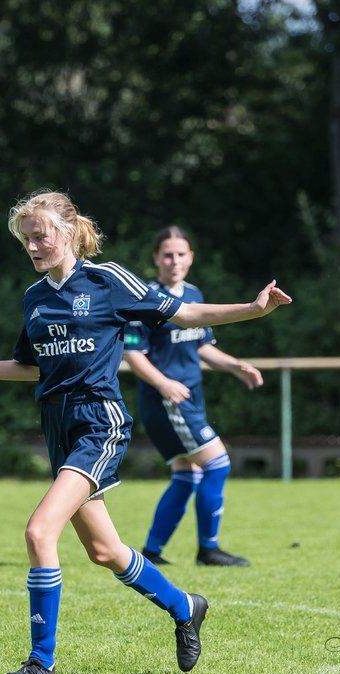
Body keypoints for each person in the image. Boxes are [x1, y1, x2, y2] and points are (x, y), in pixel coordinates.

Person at [0, 190, 290, 674]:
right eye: (25, 239)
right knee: (105, 551)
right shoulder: (35, 298)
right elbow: (30, 369)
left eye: (40, 236)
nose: (32, 246)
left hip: (100, 423)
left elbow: (184, 314)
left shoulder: (107, 280)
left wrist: (253, 308)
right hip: (59, 429)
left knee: (38, 532)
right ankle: (186, 606)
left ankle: (41, 662)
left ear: (68, 232)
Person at [123, 225, 263, 568]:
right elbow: (132, 354)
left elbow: (202, 345)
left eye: (181, 254)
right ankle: (208, 549)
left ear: (191, 258)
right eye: (167, 255)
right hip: (168, 402)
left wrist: (235, 366)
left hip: (189, 399)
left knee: (187, 475)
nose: (174, 261)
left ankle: (152, 552)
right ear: (156, 258)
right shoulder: (145, 298)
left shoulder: (195, 294)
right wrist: (164, 384)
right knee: (217, 463)